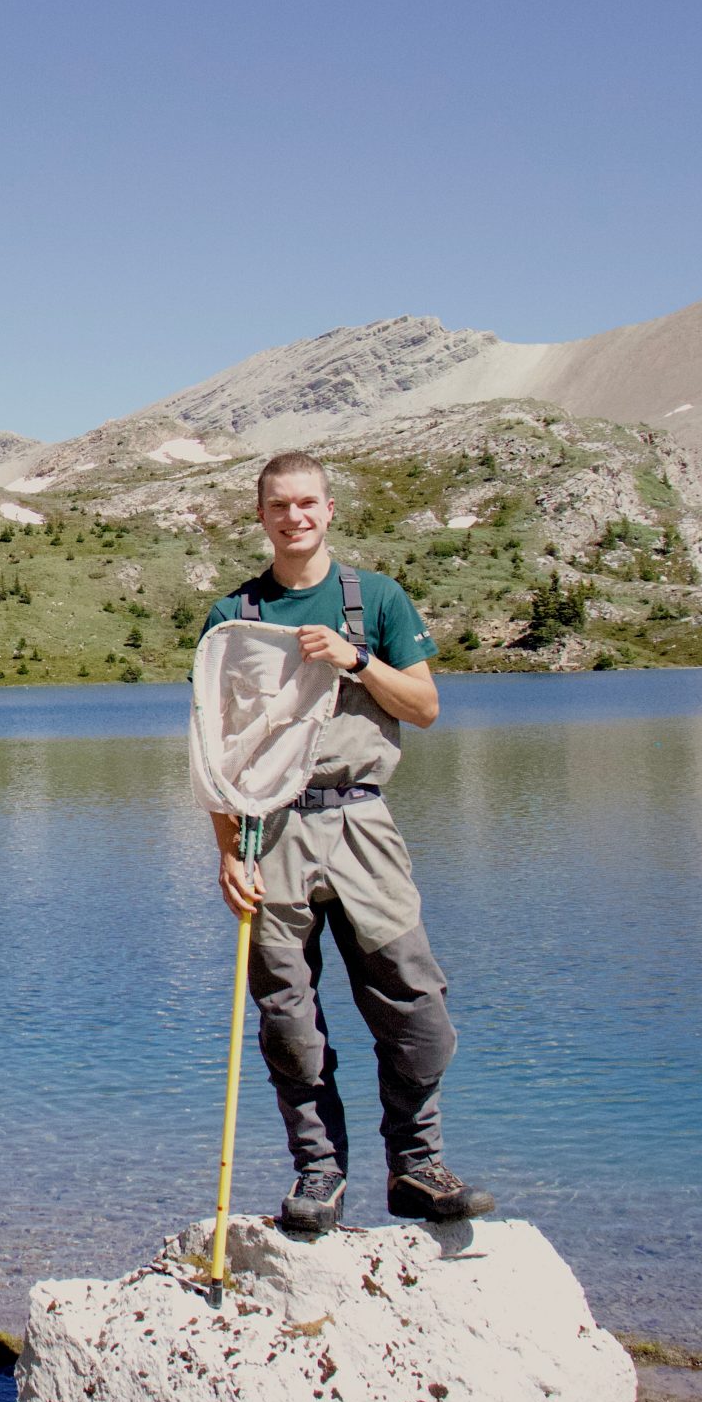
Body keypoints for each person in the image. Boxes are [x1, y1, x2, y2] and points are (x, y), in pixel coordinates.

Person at [195, 450, 495, 1234]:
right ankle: (318, 1173)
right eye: (278, 506)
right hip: (270, 827)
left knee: (417, 1004)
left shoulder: (378, 599)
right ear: (260, 517)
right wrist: (230, 851)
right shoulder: (233, 616)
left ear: (329, 510)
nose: (294, 517)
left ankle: (417, 1166)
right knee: (289, 1016)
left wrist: (357, 657)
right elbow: (213, 751)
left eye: (307, 503)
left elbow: (426, 706)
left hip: (364, 821)